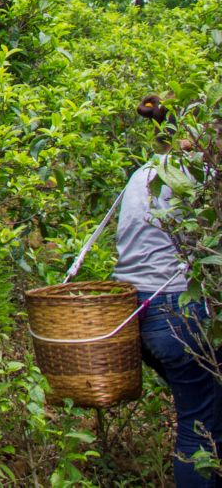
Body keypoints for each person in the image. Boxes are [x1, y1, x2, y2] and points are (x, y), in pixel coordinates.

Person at [112, 95, 220, 488]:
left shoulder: (143, 173)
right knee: (200, 427)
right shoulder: (196, 174)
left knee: (204, 415)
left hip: (138, 309)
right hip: (178, 309)